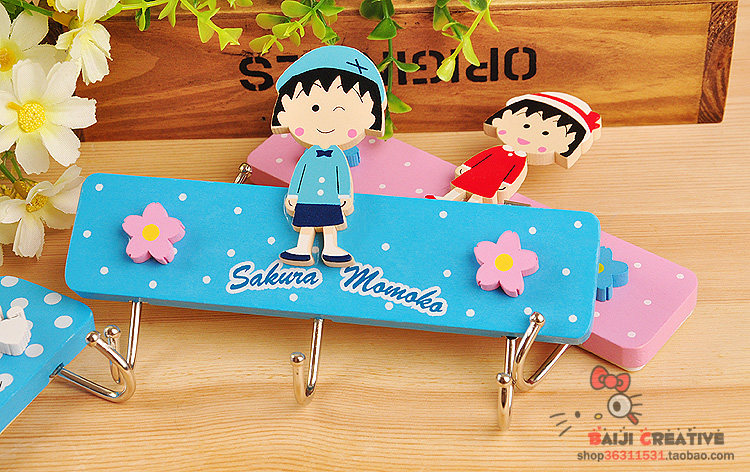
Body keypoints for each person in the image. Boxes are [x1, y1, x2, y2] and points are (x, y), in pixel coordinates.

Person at [271, 46, 387, 267]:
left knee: (330, 225)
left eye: (341, 110)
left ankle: (331, 249)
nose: (326, 120)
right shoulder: (308, 155)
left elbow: (342, 175)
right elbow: (299, 174)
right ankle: (301, 249)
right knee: (306, 225)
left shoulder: (337, 156)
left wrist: (345, 195)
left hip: (331, 199)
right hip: (307, 198)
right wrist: (293, 194)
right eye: (314, 108)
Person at [429, 92, 601, 204]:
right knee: (461, 188)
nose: (528, 135)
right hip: (476, 174)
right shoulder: (498, 150)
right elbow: (481, 159)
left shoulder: (519, 159)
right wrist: (466, 167)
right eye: (526, 126)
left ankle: (467, 209)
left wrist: (505, 185)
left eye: (545, 133)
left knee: (479, 197)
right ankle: (446, 202)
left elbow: (514, 173)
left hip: (493, 183)